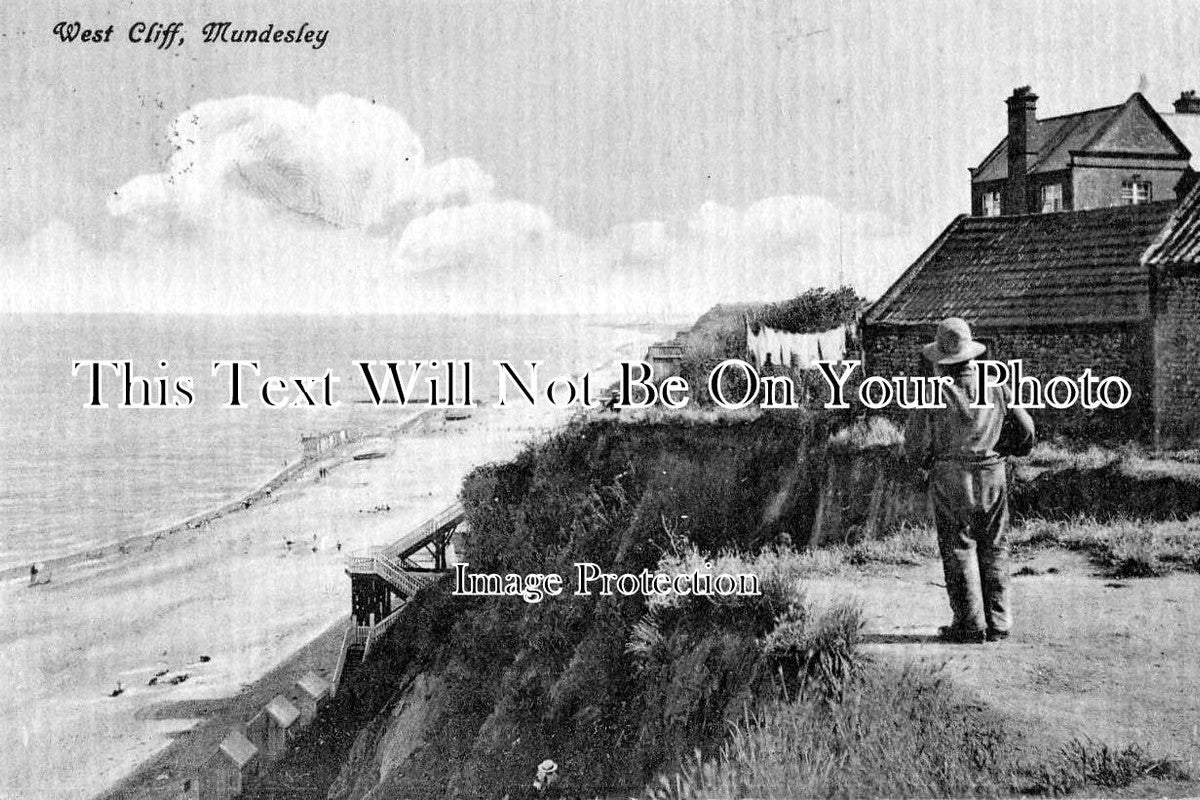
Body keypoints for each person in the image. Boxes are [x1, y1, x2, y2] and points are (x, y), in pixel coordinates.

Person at [904, 318, 1035, 644]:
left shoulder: (932, 393)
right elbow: (1027, 431)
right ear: (971, 355)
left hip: (951, 477)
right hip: (993, 473)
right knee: (995, 546)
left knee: (958, 548)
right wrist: (1004, 449)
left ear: (941, 359)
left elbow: (914, 444)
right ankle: (1000, 623)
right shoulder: (996, 385)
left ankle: (970, 624)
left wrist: (927, 464)